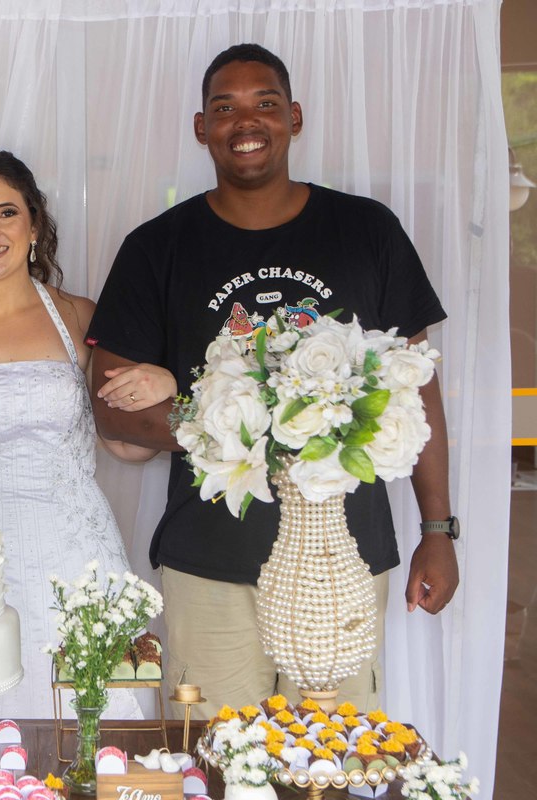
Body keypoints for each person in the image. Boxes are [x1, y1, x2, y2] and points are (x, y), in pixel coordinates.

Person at [88, 44, 460, 716]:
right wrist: (249, 430)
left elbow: (418, 388)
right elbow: (112, 409)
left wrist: (438, 529)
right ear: (201, 127)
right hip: (210, 559)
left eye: (264, 103)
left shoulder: (366, 230)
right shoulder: (157, 247)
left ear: (294, 117)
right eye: (224, 108)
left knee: (335, 756)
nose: (246, 121)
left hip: (344, 557)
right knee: (216, 753)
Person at [0, 150, 176, 718]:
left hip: (78, 551)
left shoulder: (81, 317)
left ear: (34, 224)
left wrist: (166, 386)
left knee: (91, 719)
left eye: (7, 213)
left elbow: (125, 445)